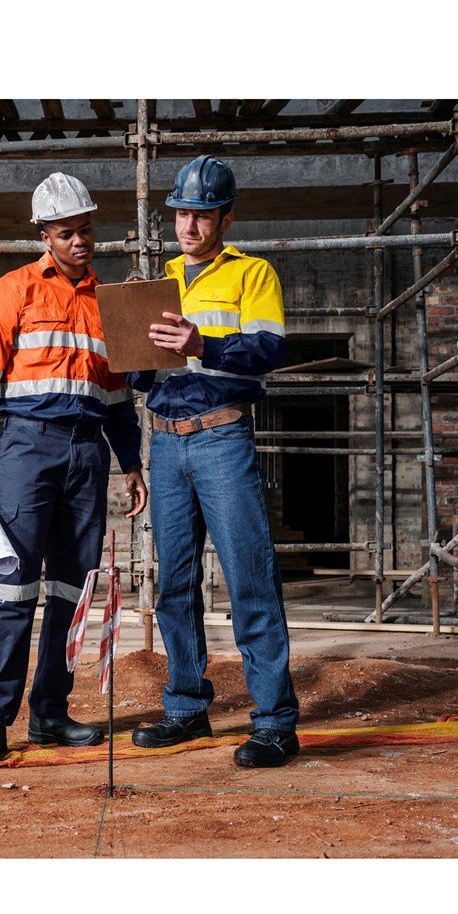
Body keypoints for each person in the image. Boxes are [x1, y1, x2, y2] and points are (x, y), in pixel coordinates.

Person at [0, 172, 148, 763]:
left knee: (72, 589)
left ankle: (51, 714)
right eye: (67, 233)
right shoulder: (12, 292)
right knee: (13, 586)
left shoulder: (106, 304)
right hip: (27, 450)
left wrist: (132, 463)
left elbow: (116, 397)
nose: (81, 242)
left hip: (88, 454)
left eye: (86, 230)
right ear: (45, 234)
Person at [129, 154, 300, 768]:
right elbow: (149, 375)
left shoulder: (252, 274)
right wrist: (127, 353)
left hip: (223, 439)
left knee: (249, 578)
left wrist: (203, 343)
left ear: (225, 217)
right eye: (180, 214)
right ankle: (186, 708)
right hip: (166, 442)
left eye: (201, 215)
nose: (188, 226)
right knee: (174, 583)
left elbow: (268, 349)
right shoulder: (161, 279)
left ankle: (276, 722)